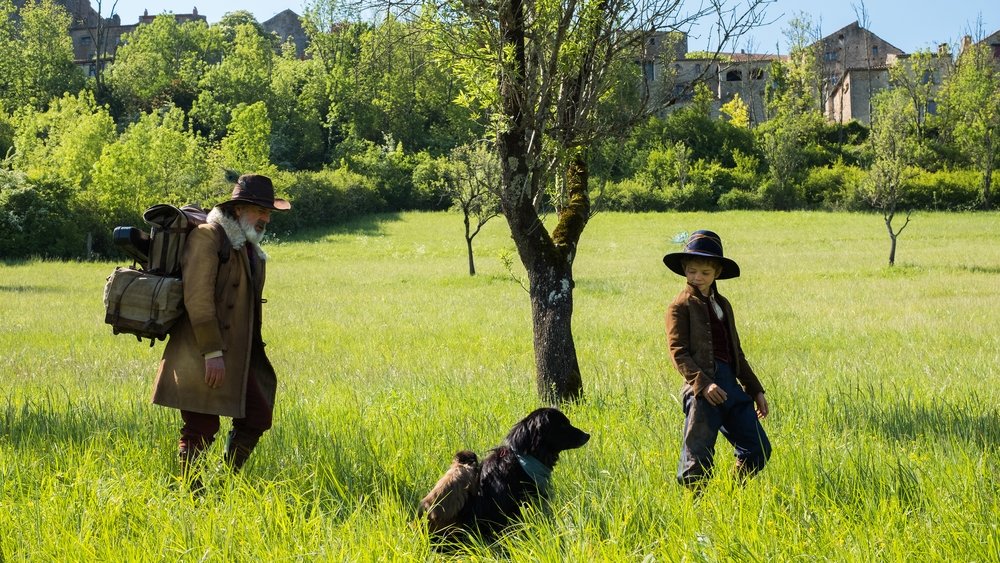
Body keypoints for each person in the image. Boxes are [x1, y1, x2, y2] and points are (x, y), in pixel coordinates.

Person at [151, 174, 290, 490]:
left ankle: (227, 482)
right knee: (200, 426)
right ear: (239, 209)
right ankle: (191, 494)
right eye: (261, 210)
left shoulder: (246, 245)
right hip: (201, 350)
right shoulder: (208, 237)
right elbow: (198, 298)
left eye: (269, 212)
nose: (267, 218)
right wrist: (212, 351)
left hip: (239, 354)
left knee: (257, 415)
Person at [663, 230, 771, 491]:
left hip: (730, 387)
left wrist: (755, 390)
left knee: (758, 448)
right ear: (684, 269)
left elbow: (737, 353)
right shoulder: (679, 306)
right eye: (692, 271)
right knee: (696, 458)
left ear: (717, 273)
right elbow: (678, 351)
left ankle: (733, 493)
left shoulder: (724, 304)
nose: (697, 277)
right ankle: (696, 507)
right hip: (702, 391)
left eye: (705, 272)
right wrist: (703, 384)